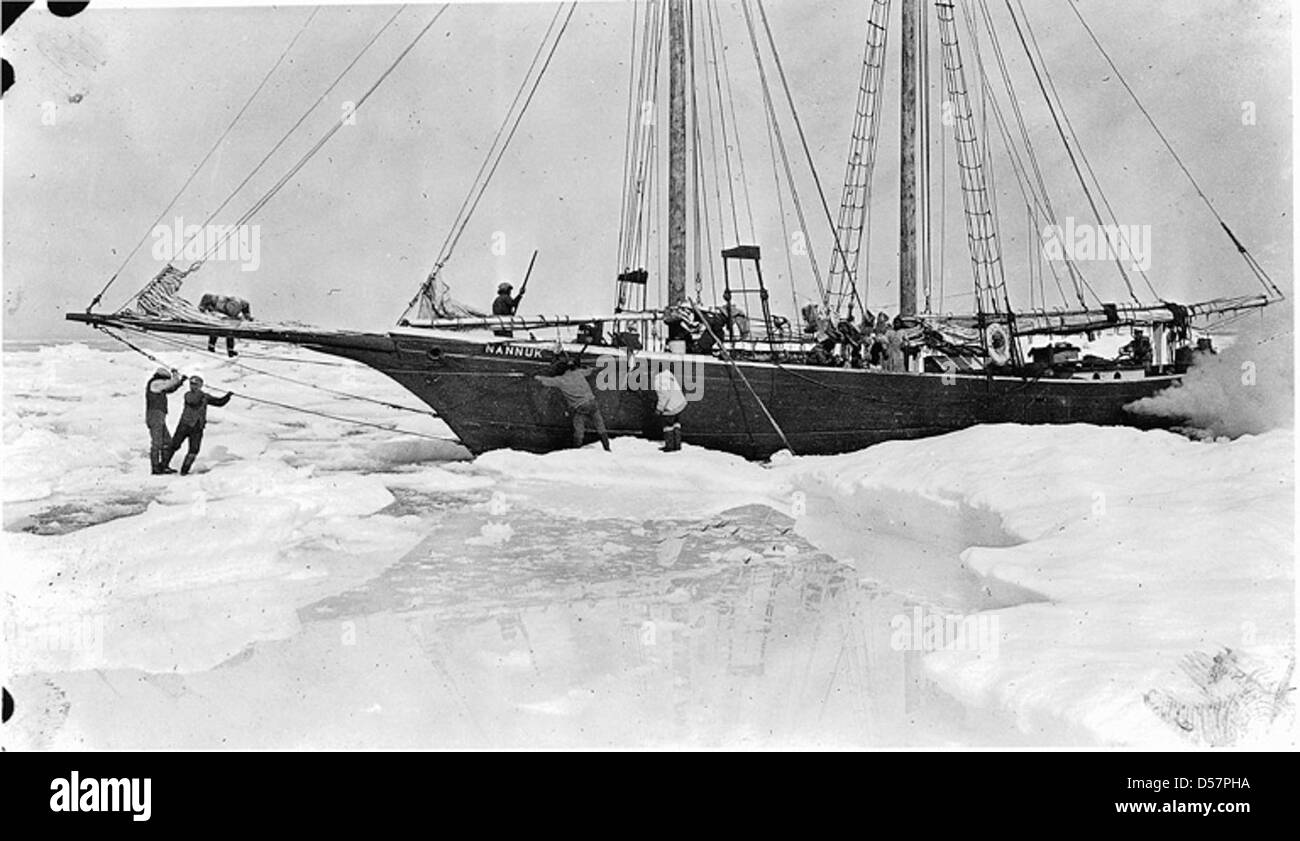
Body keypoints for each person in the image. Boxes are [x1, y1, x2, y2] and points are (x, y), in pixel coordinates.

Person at [533, 358, 610, 451]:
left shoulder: (560, 380)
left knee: (579, 429)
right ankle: (607, 447)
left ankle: (577, 448)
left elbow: (545, 381)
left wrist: (535, 377)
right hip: (592, 402)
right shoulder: (578, 372)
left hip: (580, 407)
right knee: (600, 425)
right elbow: (590, 371)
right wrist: (589, 368)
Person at [165, 376, 233, 475]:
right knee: (175, 445)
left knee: (194, 449)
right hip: (184, 425)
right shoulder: (188, 395)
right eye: (191, 384)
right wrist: (202, 394)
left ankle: (184, 471)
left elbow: (219, 402)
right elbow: (194, 401)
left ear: (200, 385)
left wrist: (228, 396)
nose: (193, 386)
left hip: (197, 427)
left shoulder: (204, 396)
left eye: (195, 384)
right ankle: (164, 465)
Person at [145, 366, 185, 474]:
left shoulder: (158, 386)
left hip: (159, 416)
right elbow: (171, 383)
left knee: (167, 442)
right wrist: (175, 373)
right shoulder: (155, 383)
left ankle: (164, 465)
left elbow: (170, 389)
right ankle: (156, 468)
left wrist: (181, 382)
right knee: (157, 443)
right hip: (155, 416)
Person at [653, 367, 688, 452]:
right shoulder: (669, 375)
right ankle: (677, 444)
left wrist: (659, 409)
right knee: (676, 424)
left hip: (671, 407)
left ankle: (670, 446)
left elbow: (664, 396)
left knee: (667, 425)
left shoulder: (658, 381)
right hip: (680, 403)